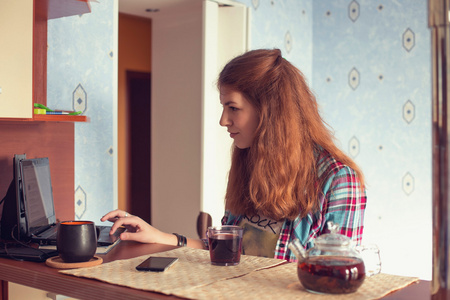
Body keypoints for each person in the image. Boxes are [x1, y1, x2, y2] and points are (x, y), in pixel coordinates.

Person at [101, 49, 367, 262]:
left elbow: (335, 282)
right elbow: (224, 250)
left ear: (269, 111)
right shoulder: (249, 161)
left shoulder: (338, 180)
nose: (223, 120)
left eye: (233, 107)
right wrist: (159, 236)